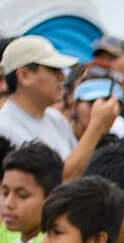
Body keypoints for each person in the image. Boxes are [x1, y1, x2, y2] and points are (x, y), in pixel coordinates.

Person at [1, 36, 116, 180]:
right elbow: (55, 183)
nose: (62, 76)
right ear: (24, 76)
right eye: (53, 69)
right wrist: (96, 127)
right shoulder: (5, 128)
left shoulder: (56, 118)